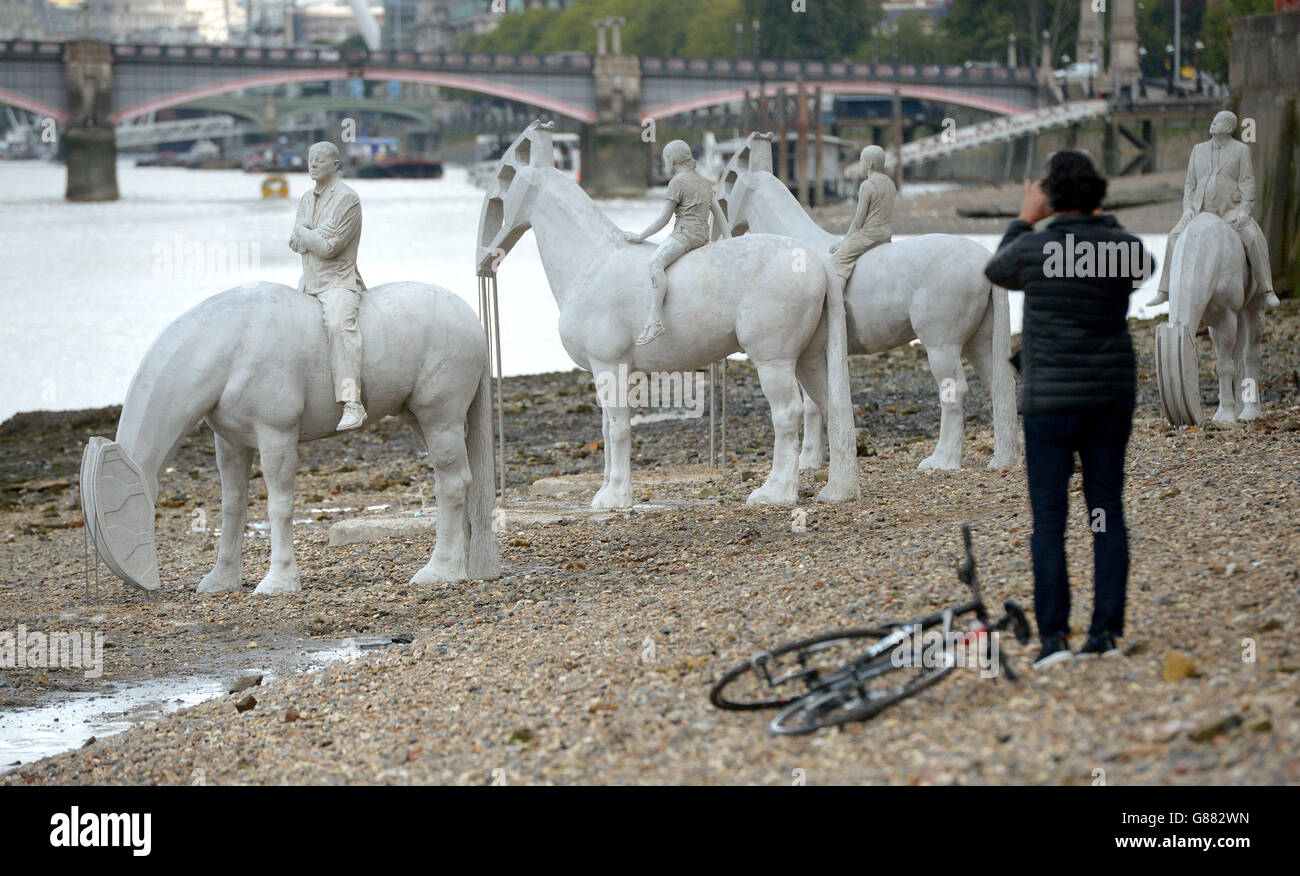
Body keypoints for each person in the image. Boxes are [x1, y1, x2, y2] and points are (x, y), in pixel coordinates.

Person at [983, 151, 1155, 669]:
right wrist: (1102, 220)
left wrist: (1023, 217)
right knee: (1105, 513)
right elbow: (1141, 265)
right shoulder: (1123, 250)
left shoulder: (1034, 249)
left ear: (1050, 196)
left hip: (1049, 405)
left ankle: (1054, 639)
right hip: (1107, 400)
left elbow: (997, 268)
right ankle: (1104, 634)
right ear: (1100, 196)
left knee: (1049, 522)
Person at [1150, 110, 1278, 308]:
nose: (1213, 124)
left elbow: (1247, 182)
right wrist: (1188, 210)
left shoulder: (1241, 150)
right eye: (1213, 120)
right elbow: (1189, 185)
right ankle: (1165, 290)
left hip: (1231, 211)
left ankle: (1266, 290)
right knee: (1174, 237)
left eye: (1218, 122)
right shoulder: (1197, 149)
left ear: (1228, 127)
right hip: (1200, 212)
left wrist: (1245, 209)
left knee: (1253, 237)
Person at [290, 141, 368, 432]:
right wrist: (307, 235)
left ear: (336, 164)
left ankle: (352, 403)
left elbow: (328, 247)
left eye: (320, 160)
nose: (313, 164)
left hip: (338, 283)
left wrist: (304, 232)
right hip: (308, 283)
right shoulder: (306, 200)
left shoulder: (348, 198)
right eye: (310, 159)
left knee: (338, 327)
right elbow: (294, 242)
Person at [622, 140, 730, 346]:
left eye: (665, 161)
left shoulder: (677, 183)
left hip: (684, 235)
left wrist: (640, 236)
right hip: (702, 238)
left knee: (655, 263)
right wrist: (730, 242)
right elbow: (720, 215)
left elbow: (663, 220)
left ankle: (654, 319)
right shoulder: (703, 182)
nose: (665, 165)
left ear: (672, 161)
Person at [829, 145, 895, 283]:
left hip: (869, 236)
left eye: (861, 161)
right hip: (886, 234)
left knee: (835, 262)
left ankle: (836, 304)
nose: (860, 164)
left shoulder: (867, 185)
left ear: (869, 164)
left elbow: (858, 221)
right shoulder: (890, 183)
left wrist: (843, 243)